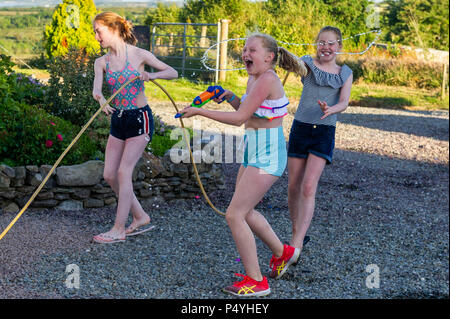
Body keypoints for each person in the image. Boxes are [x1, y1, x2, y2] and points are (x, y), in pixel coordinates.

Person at [179, 33, 307, 297]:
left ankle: (256, 281)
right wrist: (229, 96)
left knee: (234, 214)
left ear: (269, 57)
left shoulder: (268, 78)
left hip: (268, 154)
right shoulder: (255, 78)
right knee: (245, 212)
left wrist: (199, 111)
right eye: (245, 50)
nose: (245, 54)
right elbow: (248, 110)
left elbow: (239, 119)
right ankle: (284, 254)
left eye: (252, 50)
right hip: (254, 148)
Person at [91, 12, 178, 243]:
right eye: (95, 32)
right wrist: (101, 100)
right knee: (110, 174)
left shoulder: (139, 55)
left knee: (123, 172)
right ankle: (139, 215)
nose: (96, 36)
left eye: (99, 31)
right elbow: (97, 90)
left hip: (140, 118)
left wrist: (149, 75)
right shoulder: (101, 62)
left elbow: (173, 72)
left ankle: (118, 229)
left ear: (114, 29)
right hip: (118, 119)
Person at [287, 26, 353, 257]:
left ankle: (296, 244)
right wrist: (282, 55)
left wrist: (330, 109)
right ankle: (298, 232)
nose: (326, 47)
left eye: (331, 43)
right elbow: (292, 63)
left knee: (308, 186)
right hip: (301, 129)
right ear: (316, 45)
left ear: (339, 47)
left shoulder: (345, 73)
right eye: (321, 42)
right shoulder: (307, 64)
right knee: (293, 186)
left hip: (324, 130)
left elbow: (344, 102)